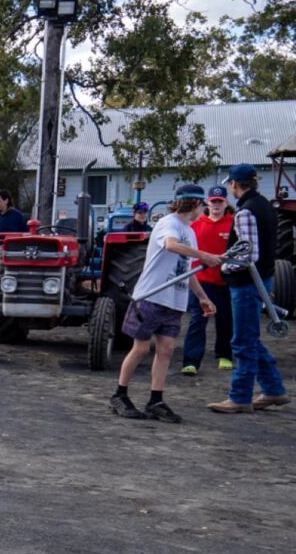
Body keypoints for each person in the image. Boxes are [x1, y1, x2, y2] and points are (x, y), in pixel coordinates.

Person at [111, 183, 222, 423]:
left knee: (166, 350)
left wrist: (203, 297)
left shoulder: (190, 231)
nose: (204, 208)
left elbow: (186, 269)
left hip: (174, 300)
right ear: (193, 203)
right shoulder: (169, 223)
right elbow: (171, 245)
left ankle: (156, 400)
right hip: (151, 296)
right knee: (140, 349)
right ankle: (120, 395)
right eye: (202, 203)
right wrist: (204, 255)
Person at [208, 164, 288, 413]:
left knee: (242, 340)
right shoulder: (265, 205)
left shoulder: (245, 212)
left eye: (231, 183)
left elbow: (248, 254)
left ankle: (240, 397)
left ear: (235, 184)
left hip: (246, 283)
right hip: (262, 278)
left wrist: (224, 266)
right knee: (251, 337)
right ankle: (274, 390)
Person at [181, 184, 235, 375]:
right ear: (208, 203)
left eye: (220, 202)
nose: (217, 205)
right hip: (201, 280)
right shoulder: (196, 224)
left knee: (226, 319)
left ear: (226, 203)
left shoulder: (233, 224)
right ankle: (191, 361)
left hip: (225, 280)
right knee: (198, 319)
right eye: (213, 202)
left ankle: (224, 355)